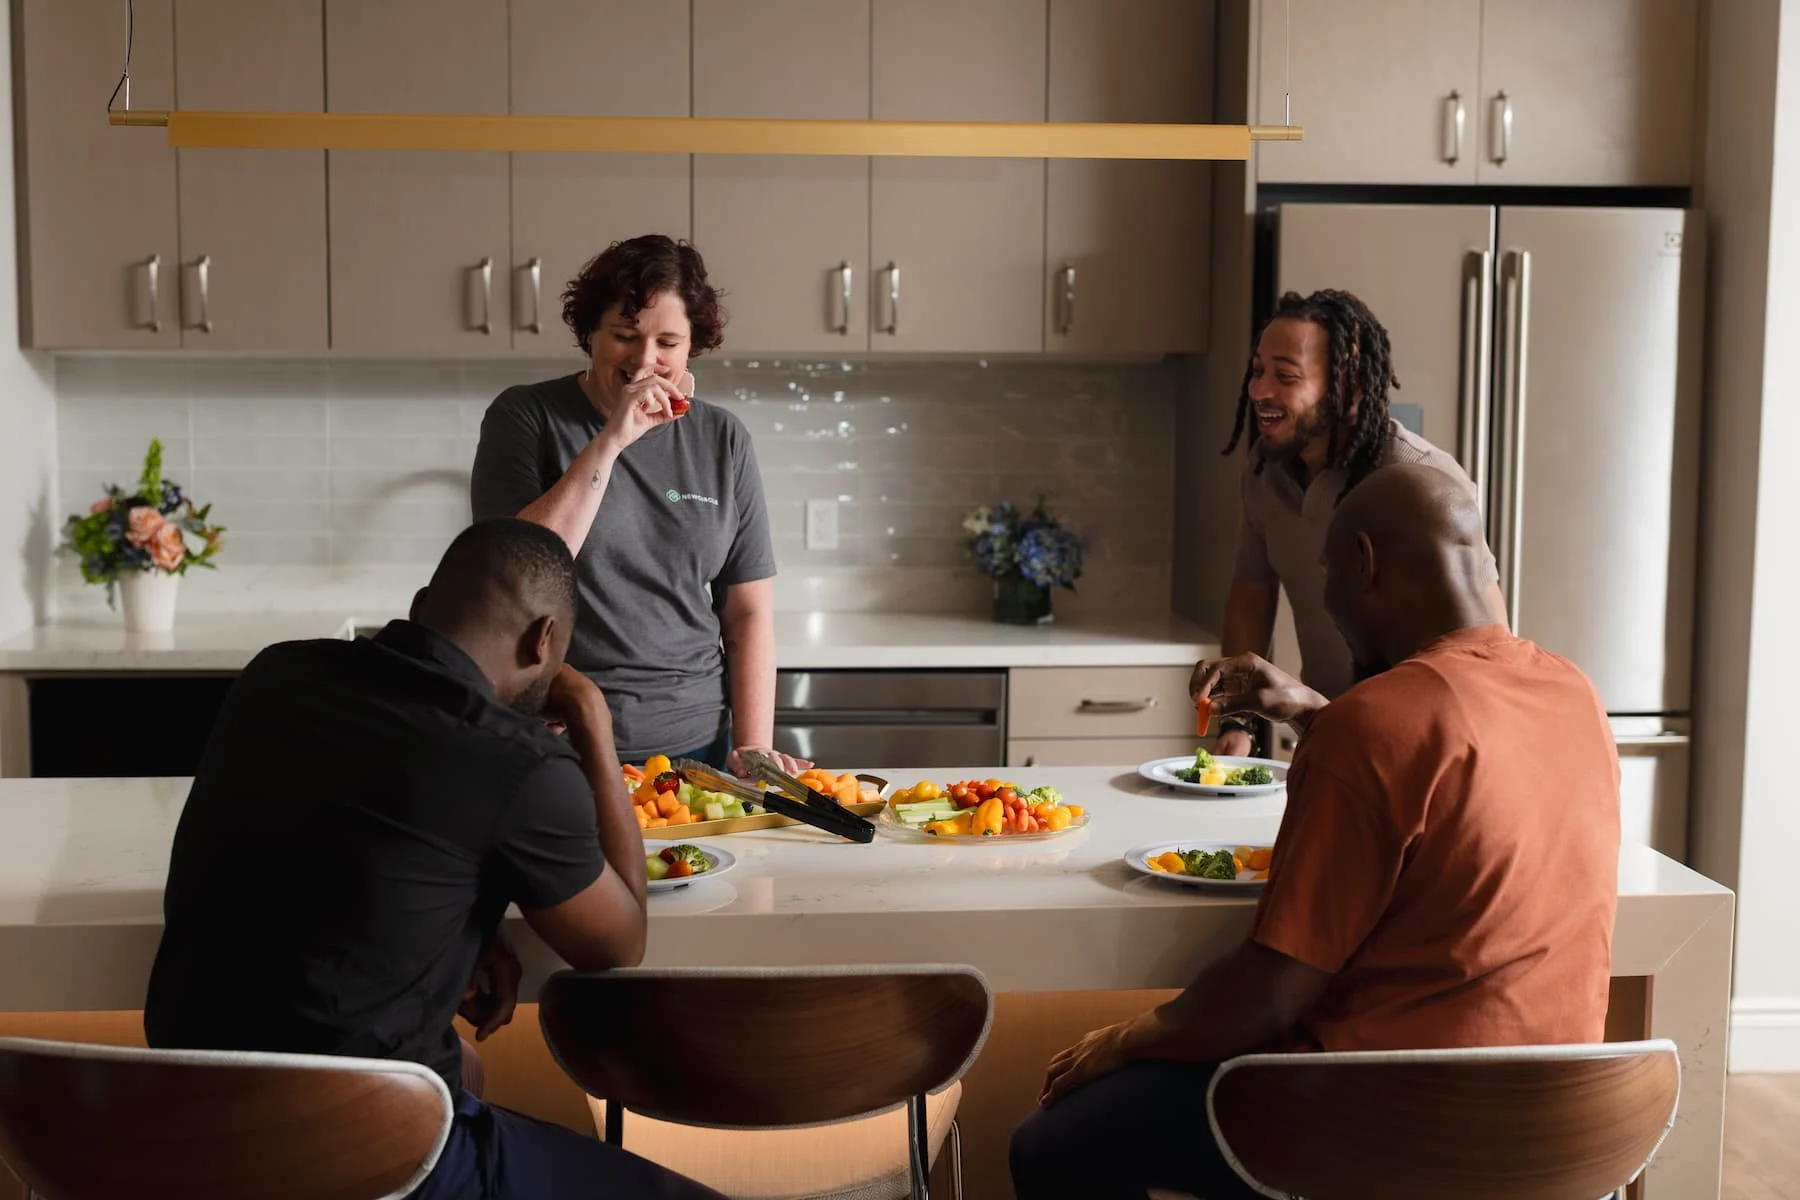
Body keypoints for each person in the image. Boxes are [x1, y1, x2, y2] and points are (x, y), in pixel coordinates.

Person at [1010, 464, 1621, 1200]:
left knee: (1052, 1144)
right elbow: (1454, 771)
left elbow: (1270, 992)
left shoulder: (1376, 724)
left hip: (1380, 1123)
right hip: (1560, 1128)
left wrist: (1126, 1036)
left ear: (1364, 562)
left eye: (1329, 573)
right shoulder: (1574, 693)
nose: (1326, 602)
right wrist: (1309, 709)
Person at [144, 518, 723, 1200]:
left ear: (420, 607)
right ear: (544, 642)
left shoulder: (275, 672)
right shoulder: (520, 760)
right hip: (367, 1156)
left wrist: (469, 922)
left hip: (179, 1131)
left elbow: (362, 834)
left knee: (466, 1074)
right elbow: (620, 943)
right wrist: (594, 722)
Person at [471, 233, 807, 777]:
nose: (645, 360)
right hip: (558, 744)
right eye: (624, 336)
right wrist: (612, 439)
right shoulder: (526, 417)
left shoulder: (722, 438)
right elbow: (511, 574)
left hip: (696, 745)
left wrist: (752, 746)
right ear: (590, 335)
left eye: (668, 343)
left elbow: (747, 611)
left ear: (693, 344)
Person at [1205, 288, 1508, 757]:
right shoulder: (1265, 472)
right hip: (1328, 733)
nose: (1259, 390)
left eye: (1286, 376)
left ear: (1347, 387)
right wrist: (1238, 719)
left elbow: (1489, 641)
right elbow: (1252, 589)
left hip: (1421, 747)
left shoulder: (1417, 478)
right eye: (1258, 370)